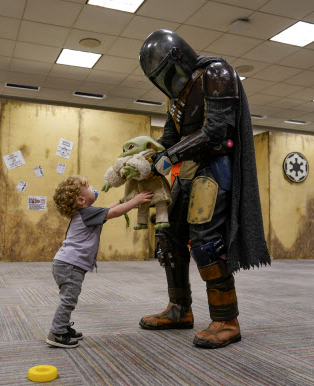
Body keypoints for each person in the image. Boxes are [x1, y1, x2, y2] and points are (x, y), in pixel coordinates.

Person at [137, 29, 271, 349]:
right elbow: (170, 139)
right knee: (169, 236)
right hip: (188, 170)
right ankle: (180, 309)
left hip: (215, 167)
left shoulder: (217, 73)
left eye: (167, 73)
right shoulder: (177, 96)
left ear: (179, 58)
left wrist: (169, 156)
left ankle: (227, 319)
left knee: (205, 242)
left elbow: (217, 133)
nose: (167, 82)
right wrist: (144, 159)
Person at [47, 175, 153, 348]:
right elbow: (114, 213)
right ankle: (57, 332)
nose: (93, 188)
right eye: (88, 186)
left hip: (66, 264)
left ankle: (63, 327)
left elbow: (107, 209)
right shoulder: (87, 213)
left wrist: (122, 200)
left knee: (68, 298)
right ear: (81, 200)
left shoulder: (86, 213)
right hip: (70, 265)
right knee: (68, 300)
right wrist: (136, 200)